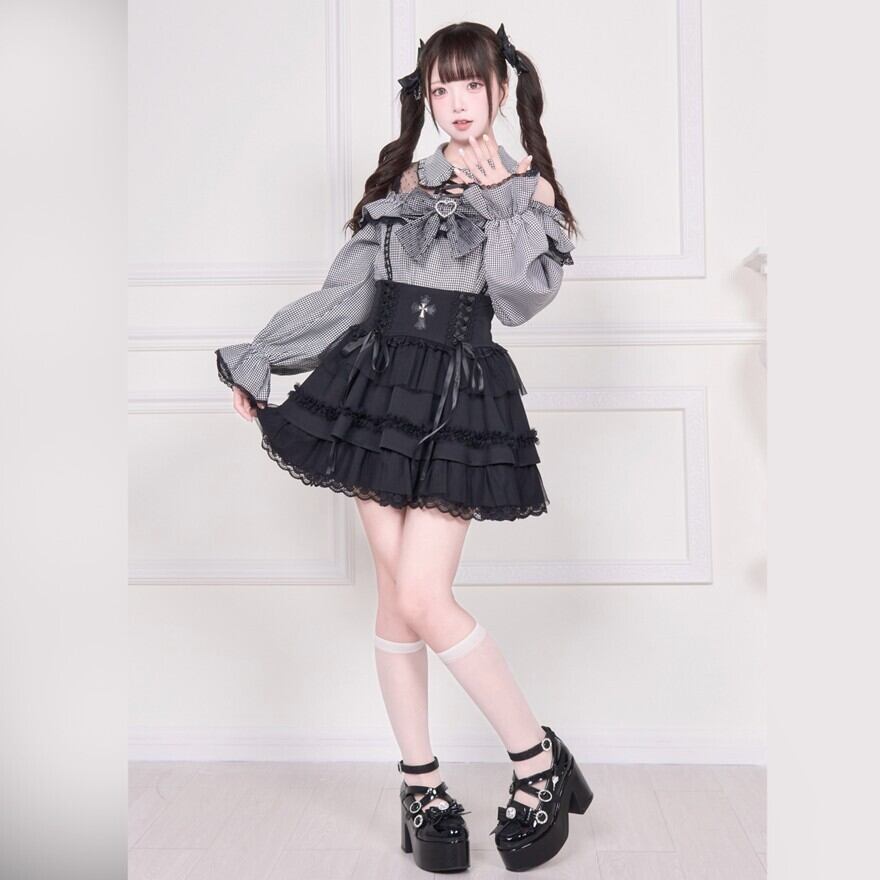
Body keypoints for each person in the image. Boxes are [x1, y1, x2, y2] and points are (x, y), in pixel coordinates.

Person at [215, 20, 593, 873]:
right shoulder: (404, 186)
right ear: (426, 97)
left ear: (501, 90)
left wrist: (504, 201)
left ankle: (537, 761)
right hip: (374, 389)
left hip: (458, 398)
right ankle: (420, 782)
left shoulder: (528, 192)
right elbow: (347, 296)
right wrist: (263, 355)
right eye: (439, 88)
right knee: (396, 598)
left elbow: (520, 298)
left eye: (471, 84)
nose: (455, 103)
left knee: (423, 594)